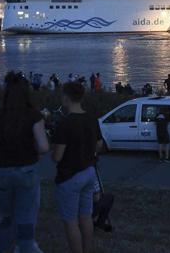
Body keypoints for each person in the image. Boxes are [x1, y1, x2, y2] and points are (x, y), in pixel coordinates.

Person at [0, 72, 50, 253]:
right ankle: (26, 247)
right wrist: (33, 148)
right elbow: (44, 147)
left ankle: (4, 248)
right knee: (26, 216)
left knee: (6, 215)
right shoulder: (33, 116)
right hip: (26, 169)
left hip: (0, 171)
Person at [52, 81, 101, 253]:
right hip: (89, 172)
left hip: (69, 176)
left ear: (66, 98)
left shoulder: (64, 124)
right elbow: (99, 144)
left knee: (71, 221)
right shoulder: (91, 118)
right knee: (85, 216)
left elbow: (57, 157)